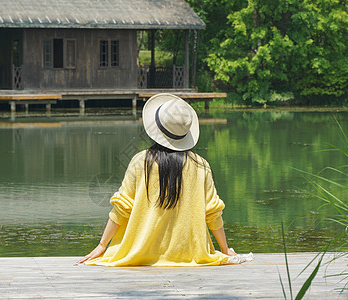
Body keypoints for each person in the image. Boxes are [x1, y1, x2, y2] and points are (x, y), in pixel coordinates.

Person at [78, 93, 252, 266]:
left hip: (141, 253)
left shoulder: (141, 161)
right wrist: (225, 249)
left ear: (156, 129)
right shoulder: (201, 165)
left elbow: (122, 207)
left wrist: (102, 245)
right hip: (190, 254)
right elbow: (213, 212)